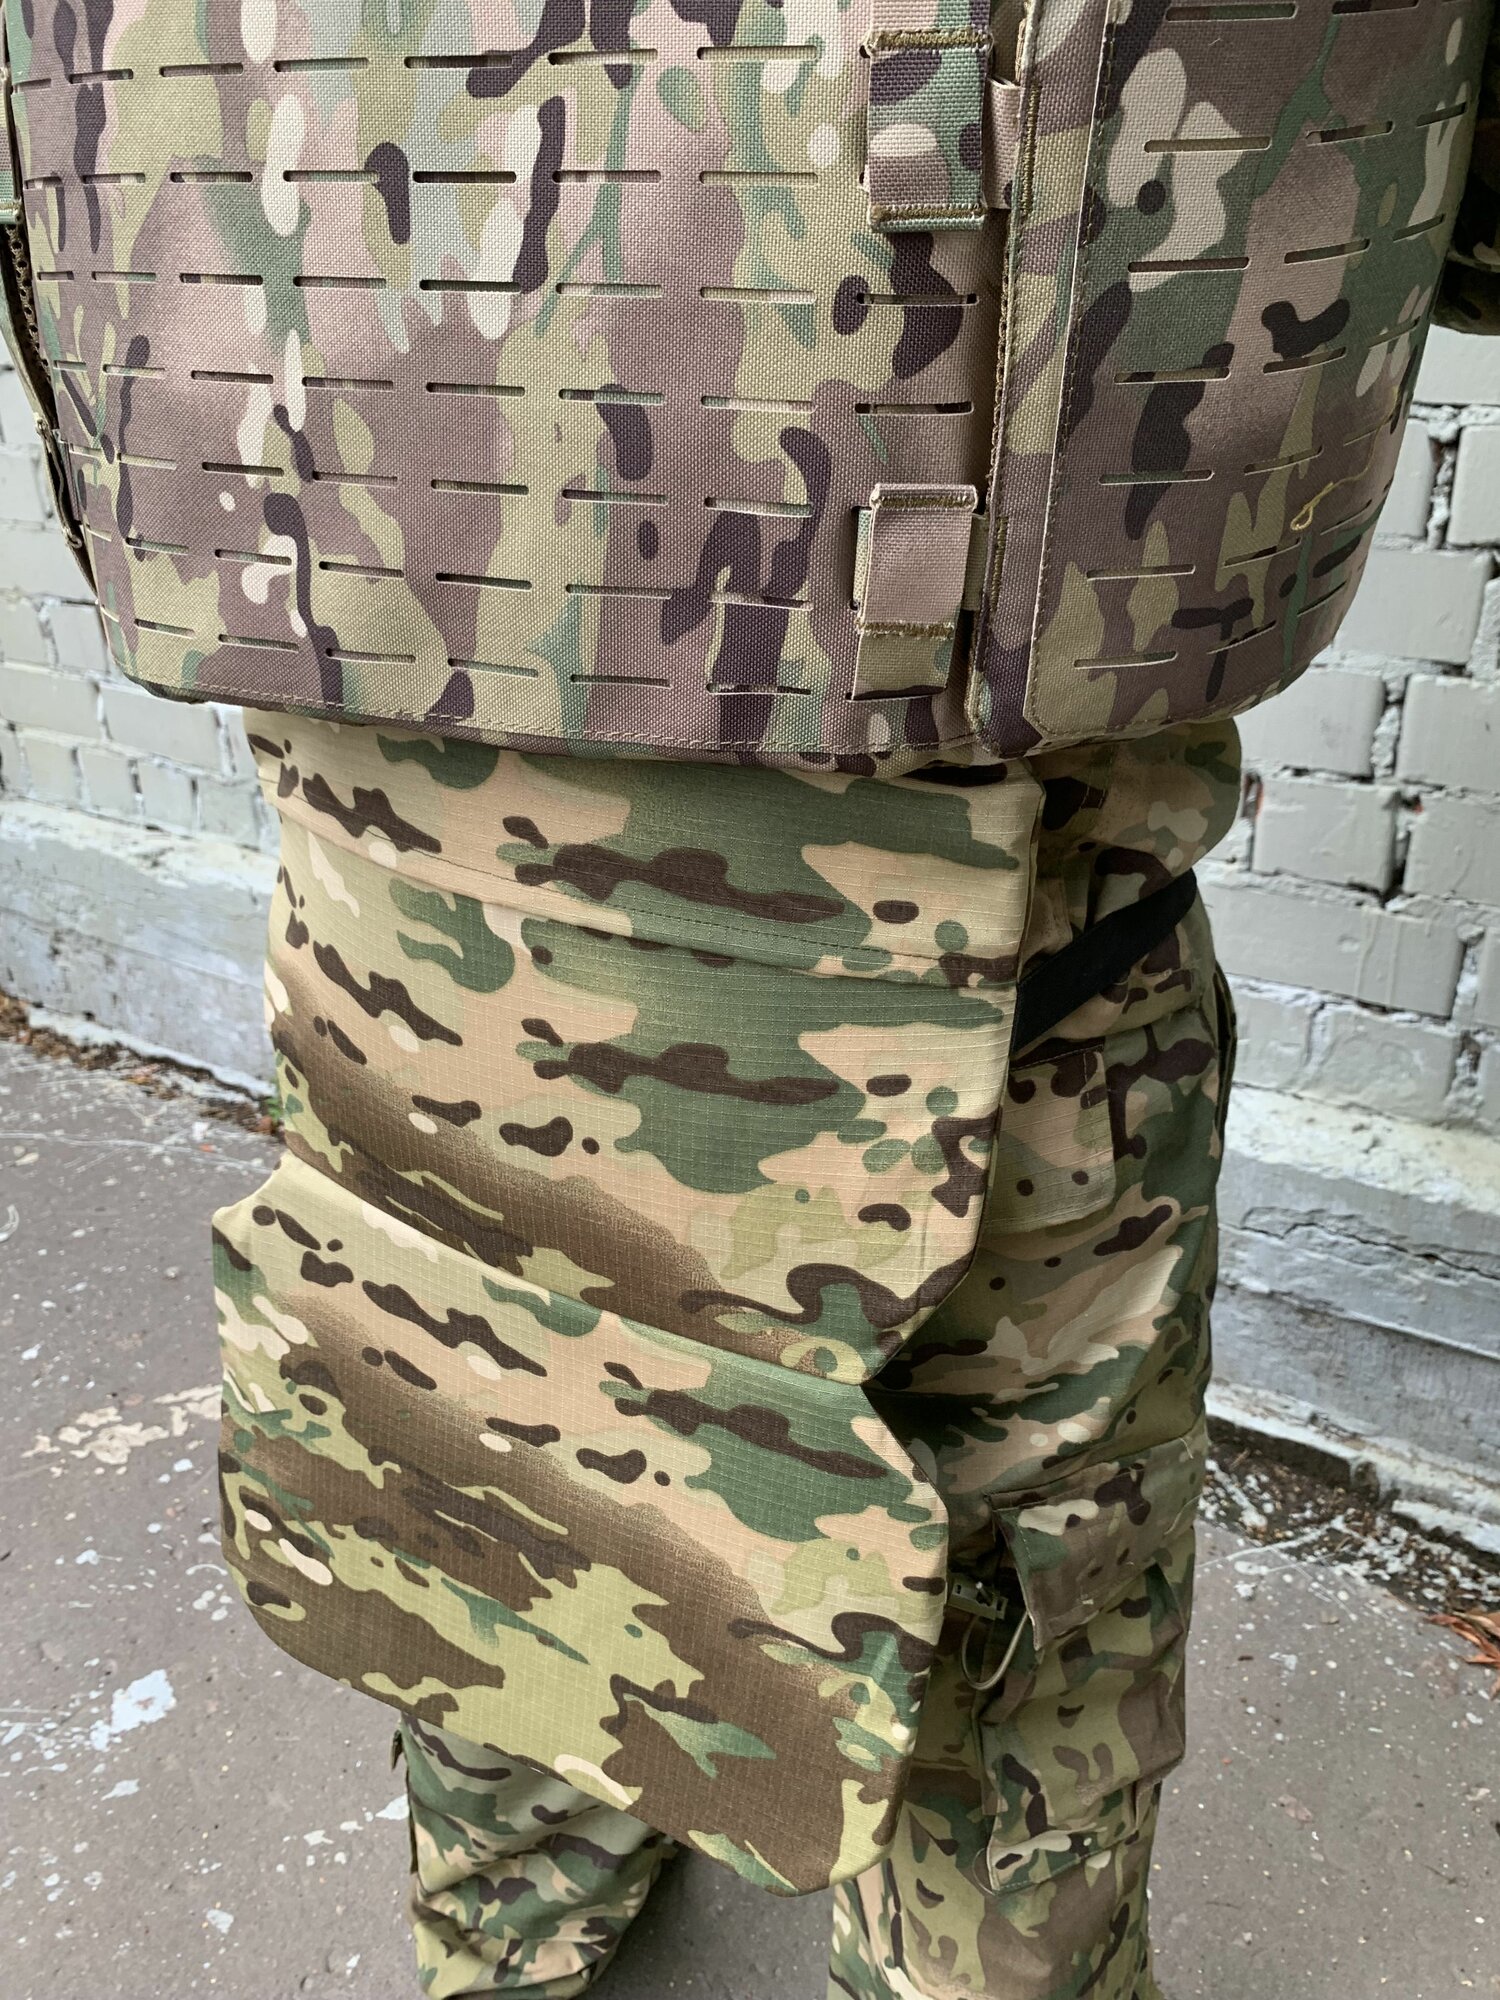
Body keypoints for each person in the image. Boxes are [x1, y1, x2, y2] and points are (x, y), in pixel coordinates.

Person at [5, 0, 1499, 1992]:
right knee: (906, 1625)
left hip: (439, 922)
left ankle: (518, 1912)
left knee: (478, 1459)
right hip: (968, 1008)